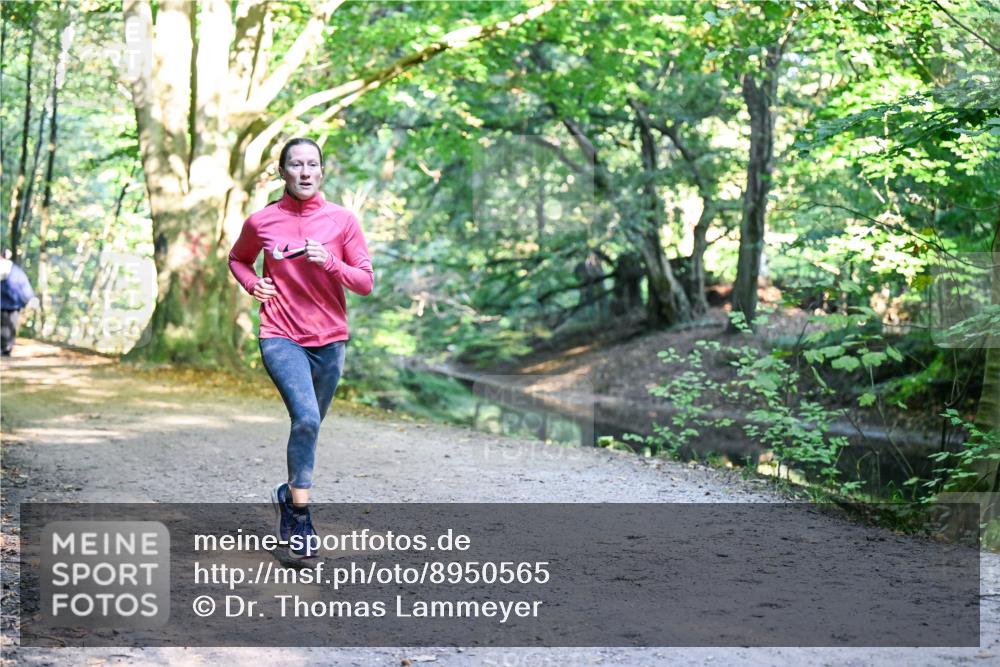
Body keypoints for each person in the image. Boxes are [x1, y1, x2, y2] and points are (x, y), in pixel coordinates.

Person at [228, 137, 374, 559]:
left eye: (312, 164)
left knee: (311, 426)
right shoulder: (262, 222)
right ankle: (300, 516)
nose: (305, 171)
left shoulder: (342, 221)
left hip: (330, 339)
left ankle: (287, 492)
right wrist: (253, 283)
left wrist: (330, 261)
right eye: (296, 164)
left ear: (322, 171)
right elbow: (238, 259)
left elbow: (365, 282)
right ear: (282, 172)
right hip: (280, 333)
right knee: (306, 418)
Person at [1, 256, 37, 357]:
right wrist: (29, 299)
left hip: (9, 304)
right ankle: (6, 347)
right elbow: (24, 286)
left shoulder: (15, 271)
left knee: (6, 325)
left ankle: (5, 347)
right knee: (10, 325)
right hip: (13, 304)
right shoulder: (15, 271)